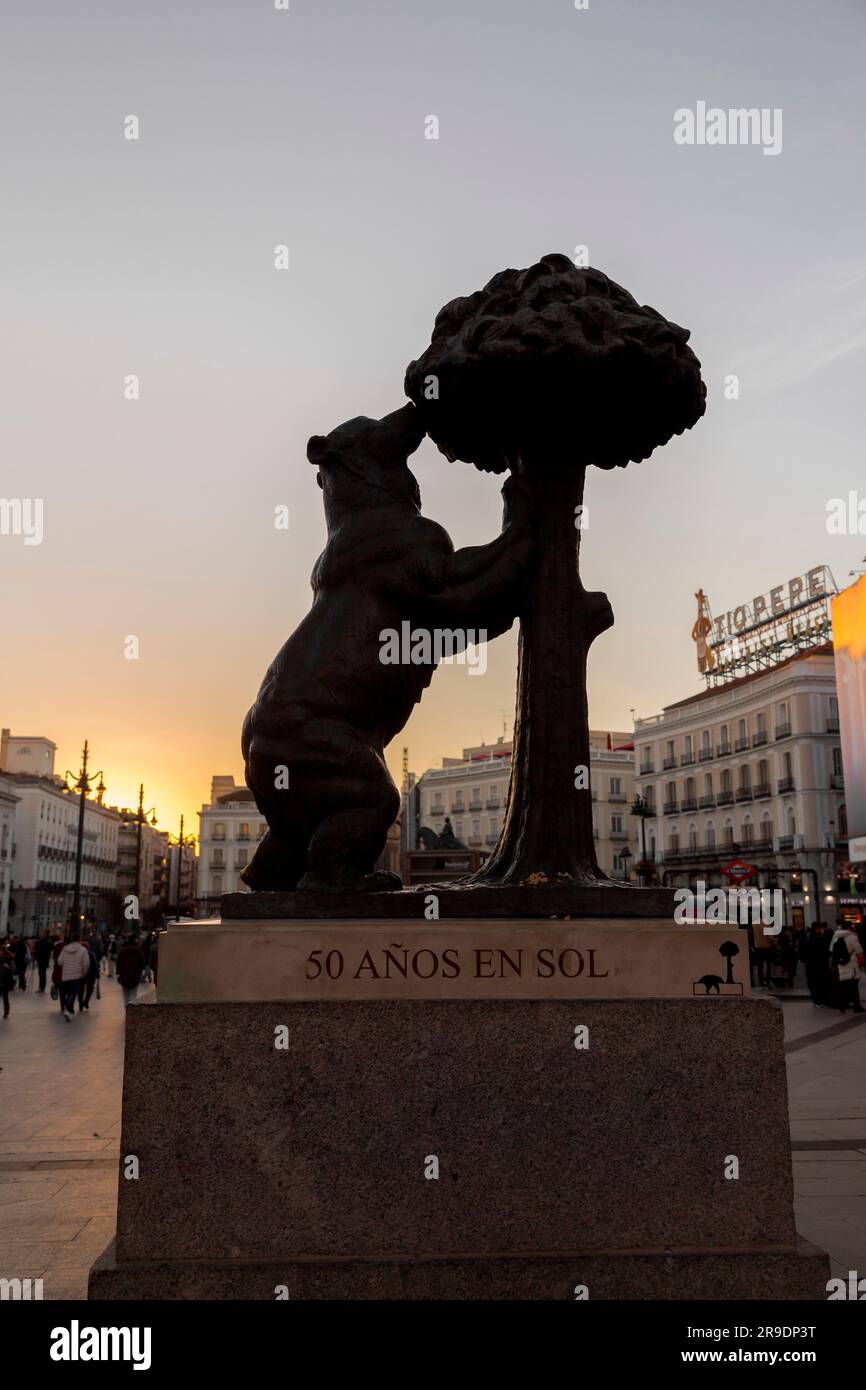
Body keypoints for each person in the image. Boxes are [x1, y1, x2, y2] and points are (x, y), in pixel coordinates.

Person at [829, 919, 865, 1014]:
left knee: (844, 985)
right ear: (849, 927)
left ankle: (842, 1004)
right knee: (853, 986)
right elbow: (859, 951)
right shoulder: (852, 937)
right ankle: (856, 1006)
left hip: (841, 965)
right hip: (852, 965)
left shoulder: (836, 936)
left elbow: (831, 950)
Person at [57, 932, 91, 1021]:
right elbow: (86, 964)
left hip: (66, 976)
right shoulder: (83, 950)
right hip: (77, 975)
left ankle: (70, 1012)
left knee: (68, 993)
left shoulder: (65, 949)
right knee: (72, 993)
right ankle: (68, 1009)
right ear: (79, 939)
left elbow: (60, 962)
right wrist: (83, 973)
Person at [802, 922, 832, 1007]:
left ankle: (817, 1001)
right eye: (820, 928)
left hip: (812, 965)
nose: (821, 930)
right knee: (819, 983)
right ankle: (820, 1001)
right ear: (817, 929)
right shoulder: (817, 939)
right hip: (818, 965)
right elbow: (821, 951)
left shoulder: (809, 938)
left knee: (814, 984)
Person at [116, 934, 145, 1009]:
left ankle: (127, 1009)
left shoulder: (123, 950)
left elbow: (118, 961)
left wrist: (118, 972)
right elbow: (142, 962)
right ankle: (132, 1010)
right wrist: (141, 971)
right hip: (135, 974)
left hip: (124, 974)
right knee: (133, 993)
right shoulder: (138, 950)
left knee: (125, 995)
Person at [82, 938, 100, 1011]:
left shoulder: (81, 954)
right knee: (90, 988)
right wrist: (97, 974)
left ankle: (81, 1002)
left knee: (81, 989)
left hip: (82, 974)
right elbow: (95, 965)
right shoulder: (91, 954)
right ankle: (86, 1001)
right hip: (91, 974)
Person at [1, 940, 16, 1019]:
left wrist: (8, 967)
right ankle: (6, 1011)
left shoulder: (8, 958)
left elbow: (13, 968)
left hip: (5, 979)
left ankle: (6, 1011)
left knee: (5, 996)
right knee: (5, 996)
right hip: (3, 979)